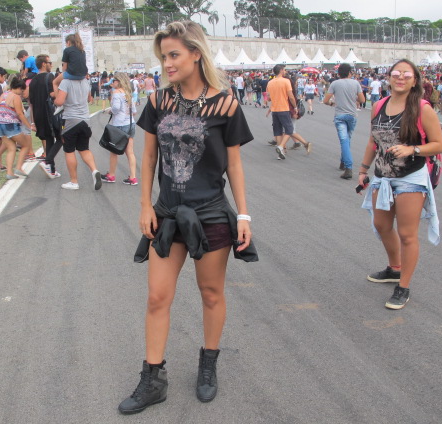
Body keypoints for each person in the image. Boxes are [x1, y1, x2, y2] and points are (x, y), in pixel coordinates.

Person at [118, 20, 257, 415]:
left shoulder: (226, 104)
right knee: (157, 296)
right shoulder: (159, 101)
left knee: (211, 293)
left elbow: (234, 164)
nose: (167, 62)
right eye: (163, 56)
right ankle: (153, 378)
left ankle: (208, 365)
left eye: (174, 54)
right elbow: (147, 157)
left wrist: (243, 214)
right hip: (167, 215)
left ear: (196, 53)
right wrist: (145, 204)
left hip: (211, 214)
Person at [358, 59, 442, 310]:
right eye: (396, 73)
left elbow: (438, 144)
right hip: (382, 177)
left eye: (407, 74)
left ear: (414, 80)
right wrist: (363, 170)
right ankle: (395, 268)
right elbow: (373, 141)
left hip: (410, 178)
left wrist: (412, 149)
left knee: (407, 234)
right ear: (389, 77)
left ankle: (403, 286)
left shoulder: (422, 108)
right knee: (381, 224)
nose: (401, 77)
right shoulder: (379, 105)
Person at [53, 62, 102, 191]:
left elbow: (59, 102)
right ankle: (94, 170)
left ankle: (74, 181)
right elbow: (89, 99)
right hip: (85, 119)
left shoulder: (66, 82)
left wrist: (54, 94)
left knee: (69, 150)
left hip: (70, 120)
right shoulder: (86, 82)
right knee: (84, 149)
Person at [323, 63, 365, 179]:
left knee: (344, 140)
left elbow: (326, 100)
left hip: (340, 115)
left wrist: (332, 103)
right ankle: (343, 162)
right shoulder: (355, 83)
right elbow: (362, 99)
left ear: (339, 73)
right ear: (350, 72)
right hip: (352, 115)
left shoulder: (335, 84)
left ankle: (348, 167)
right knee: (347, 139)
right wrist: (352, 98)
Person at [101, 72, 138, 185]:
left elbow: (116, 108)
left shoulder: (117, 93)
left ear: (119, 81)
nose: (113, 83)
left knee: (114, 151)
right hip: (131, 123)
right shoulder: (128, 93)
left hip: (119, 124)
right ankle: (133, 177)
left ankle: (111, 175)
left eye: (114, 81)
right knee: (130, 152)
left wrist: (110, 111)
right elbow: (134, 111)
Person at [0, 76, 34, 180]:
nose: (21, 93)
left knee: (11, 148)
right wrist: (29, 126)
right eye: (22, 90)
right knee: (25, 145)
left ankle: (10, 172)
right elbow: (20, 114)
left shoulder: (3, 94)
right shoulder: (15, 97)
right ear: (19, 88)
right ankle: (19, 168)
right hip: (11, 125)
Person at [29, 55, 61, 179]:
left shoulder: (33, 81)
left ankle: (52, 169)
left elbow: (31, 101)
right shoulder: (49, 77)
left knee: (49, 139)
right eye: (49, 62)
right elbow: (53, 95)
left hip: (38, 114)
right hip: (49, 113)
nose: (51, 65)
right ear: (43, 64)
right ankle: (47, 161)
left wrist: (33, 121)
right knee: (60, 138)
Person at [265, 64, 299, 160]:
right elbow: (291, 96)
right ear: (281, 70)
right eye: (284, 70)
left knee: (277, 131)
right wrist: (295, 106)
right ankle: (281, 147)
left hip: (274, 109)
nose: (285, 71)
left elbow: (269, 98)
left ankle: (281, 152)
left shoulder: (270, 83)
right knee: (289, 129)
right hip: (283, 108)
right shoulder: (286, 81)